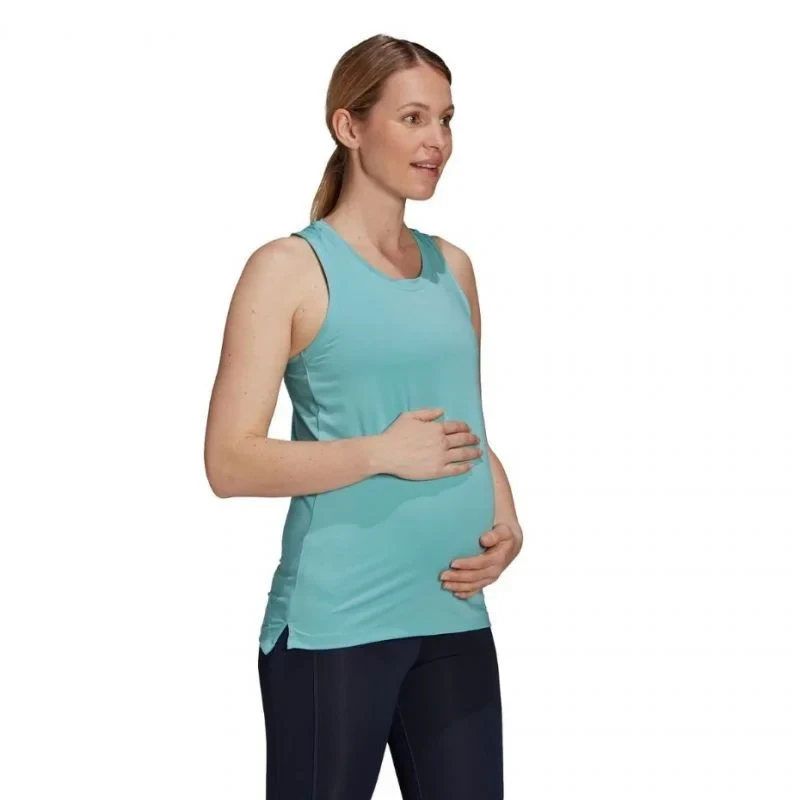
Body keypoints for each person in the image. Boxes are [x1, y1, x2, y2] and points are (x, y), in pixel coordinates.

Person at [204, 33, 524, 800]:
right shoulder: (289, 269)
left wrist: (506, 520)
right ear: (348, 126)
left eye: (446, 119)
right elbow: (229, 461)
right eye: (413, 118)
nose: (437, 141)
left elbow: (468, 427)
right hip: (337, 626)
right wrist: (381, 452)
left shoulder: (453, 267)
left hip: (453, 615)